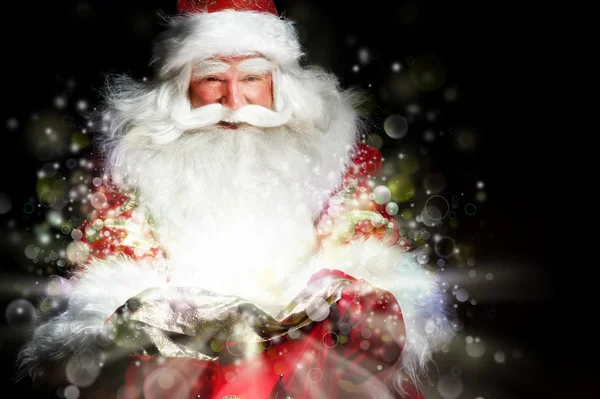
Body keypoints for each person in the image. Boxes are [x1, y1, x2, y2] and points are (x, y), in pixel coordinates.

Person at [17, 1, 454, 397]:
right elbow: (114, 264)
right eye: (212, 80)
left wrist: (332, 297)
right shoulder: (131, 163)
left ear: (277, 84)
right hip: (182, 360)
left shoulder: (333, 155)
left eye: (250, 79)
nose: (233, 101)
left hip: (311, 357)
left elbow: (364, 241)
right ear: (181, 86)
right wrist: (177, 315)